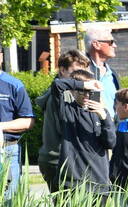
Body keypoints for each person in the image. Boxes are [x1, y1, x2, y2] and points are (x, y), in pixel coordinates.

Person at [54, 69, 116, 196]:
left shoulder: (102, 113)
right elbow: (57, 85)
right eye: (83, 91)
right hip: (72, 184)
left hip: (99, 184)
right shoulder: (66, 110)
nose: (87, 95)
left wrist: (104, 117)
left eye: (91, 92)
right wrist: (85, 84)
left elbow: (110, 143)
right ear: (72, 91)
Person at [36, 49, 89, 194]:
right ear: (62, 70)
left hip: (60, 158)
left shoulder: (67, 92)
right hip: (59, 159)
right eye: (76, 72)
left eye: (84, 72)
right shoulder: (61, 95)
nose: (80, 78)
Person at [0, 50, 35, 203]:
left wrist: (1, 126)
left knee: (9, 203)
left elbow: (28, 121)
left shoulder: (13, 85)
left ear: (1, 56)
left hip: (7, 151)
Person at [85, 24, 119, 116]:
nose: (115, 46)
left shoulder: (112, 74)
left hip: (110, 128)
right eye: (111, 42)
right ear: (96, 44)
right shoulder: (82, 72)